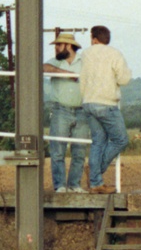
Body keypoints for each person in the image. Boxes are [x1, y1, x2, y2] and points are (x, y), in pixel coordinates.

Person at [80, 24, 132, 194]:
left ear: (94, 39)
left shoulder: (85, 54)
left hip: (88, 102)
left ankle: (96, 182)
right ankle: (95, 174)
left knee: (98, 141)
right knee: (120, 139)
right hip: (106, 103)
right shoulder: (114, 54)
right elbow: (124, 79)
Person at [42, 32, 89, 192]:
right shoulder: (55, 62)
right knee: (57, 150)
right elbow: (44, 68)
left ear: (68, 46)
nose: (56, 48)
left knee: (79, 151)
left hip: (82, 110)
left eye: (58, 45)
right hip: (61, 110)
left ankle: (74, 185)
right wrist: (69, 75)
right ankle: (60, 186)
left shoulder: (85, 62)